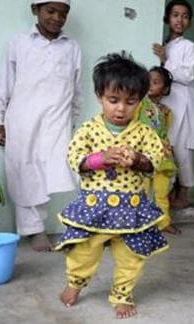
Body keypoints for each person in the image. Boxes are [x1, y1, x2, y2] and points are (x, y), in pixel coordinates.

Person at [55, 52, 168, 319]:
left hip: (133, 212)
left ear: (140, 101)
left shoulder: (144, 133)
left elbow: (155, 161)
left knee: (132, 257)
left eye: (130, 102)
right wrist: (100, 159)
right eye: (113, 100)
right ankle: (75, 283)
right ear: (99, 96)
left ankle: (122, 294)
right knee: (83, 252)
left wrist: (139, 160)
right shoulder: (88, 130)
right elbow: (74, 159)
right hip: (95, 210)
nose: (121, 109)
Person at [0, 0, 81, 252]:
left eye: (63, 13)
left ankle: (54, 226)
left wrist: (73, 122)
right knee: (24, 170)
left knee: (51, 172)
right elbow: (3, 84)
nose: (56, 18)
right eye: (51, 11)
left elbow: (77, 90)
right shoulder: (18, 43)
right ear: (35, 10)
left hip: (57, 120)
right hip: (22, 119)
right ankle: (34, 230)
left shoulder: (71, 47)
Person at [152, 0, 194, 209]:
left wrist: (165, 60)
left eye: (185, 16)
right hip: (165, 101)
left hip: (182, 101)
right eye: (175, 15)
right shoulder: (162, 44)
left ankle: (184, 192)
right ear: (167, 18)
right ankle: (167, 191)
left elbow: (187, 75)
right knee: (165, 145)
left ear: (190, 22)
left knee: (182, 148)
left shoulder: (190, 46)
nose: (180, 20)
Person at [137, 66, 180, 234]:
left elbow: (166, 133)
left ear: (165, 88)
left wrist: (169, 152)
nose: (150, 85)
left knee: (162, 192)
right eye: (148, 81)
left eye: (155, 82)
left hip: (162, 157)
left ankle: (164, 222)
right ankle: (139, 223)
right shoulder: (139, 104)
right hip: (144, 155)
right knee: (141, 190)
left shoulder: (166, 111)